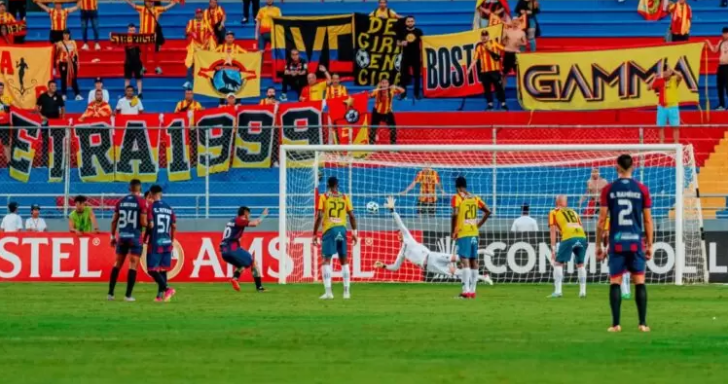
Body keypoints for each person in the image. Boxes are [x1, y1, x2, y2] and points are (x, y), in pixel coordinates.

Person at [374, 197, 494, 284]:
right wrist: (383, 266)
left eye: (400, 232)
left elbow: (401, 224)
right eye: (398, 234)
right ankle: (484, 277)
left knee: (459, 257)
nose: (400, 233)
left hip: (432, 256)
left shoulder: (408, 238)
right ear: (397, 237)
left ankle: (483, 251)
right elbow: (395, 267)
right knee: (456, 272)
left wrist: (392, 210)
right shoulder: (402, 252)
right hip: (430, 266)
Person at [596, 154, 654, 333]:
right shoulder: (642, 189)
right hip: (636, 242)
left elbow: (601, 220)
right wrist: (650, 244)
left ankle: (616, 324)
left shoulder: (608, 189)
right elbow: (648, 220)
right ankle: (642, 324)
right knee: (640, 281)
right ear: (633, 167)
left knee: (615, 281)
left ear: (617, 167)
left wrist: (598, 245)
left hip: (617, 242)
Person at [313, 176, 358, 300]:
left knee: (326, 260)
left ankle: (328, 293)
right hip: (342, 230)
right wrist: (354, 233)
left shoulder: (324, 197)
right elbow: (352, 216)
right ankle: (346, 292)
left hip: (329, 230)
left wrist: (314, 233)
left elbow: (319, 215)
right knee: (344, 260)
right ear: (337, 184)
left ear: (328, 185)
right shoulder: (345, 197)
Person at [451, 176, 491, 299]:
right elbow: (488, 211)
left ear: (457, 187)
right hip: (474, 234)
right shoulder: (475, 198)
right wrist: (477, 225)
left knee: (465, 260)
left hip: (464, 233)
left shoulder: (457, 198)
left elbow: (455, 214)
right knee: (474, 260)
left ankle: (466, 291)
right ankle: (473, 291)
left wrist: (453, 230)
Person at [108, 179, 148, 302]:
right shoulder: (142, 202)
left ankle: (110, 294)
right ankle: (128, 295)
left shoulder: (120, 201)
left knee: (117, 264)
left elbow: (114, 220)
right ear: (140, 189)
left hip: (122, 236)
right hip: (134, 237)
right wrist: (149, 224)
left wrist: (113, 236)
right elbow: (142, 222)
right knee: (133, 265)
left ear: (129, 189)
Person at [220, 206, 268, 292]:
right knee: (253, 262)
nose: (249, 216)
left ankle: (235, 278)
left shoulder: (231, 221)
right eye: (249, 214)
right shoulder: (240, 220)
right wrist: (263, 216)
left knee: (241, 265)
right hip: (233, 248)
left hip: (224, 251)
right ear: (245, 213)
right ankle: (259, 287)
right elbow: (254, 224)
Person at [548, 195, 588, 298]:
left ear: (556, 202)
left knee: (558, 263)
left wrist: (553, 249)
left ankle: (558, 291)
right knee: (580, 264)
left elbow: (553, 231)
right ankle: (583, 292)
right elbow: (581, 226)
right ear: (565, 203)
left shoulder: (553, 212)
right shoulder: (574, 212)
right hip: (581, 236)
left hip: (569, 237)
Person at [124, 0, 178, 75]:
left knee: (154, 52)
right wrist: (127, 1)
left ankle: (157, 67)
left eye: (151, 2)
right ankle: (143, 67)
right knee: (143, 53)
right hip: (142, 35)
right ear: (145, 2)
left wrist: (173, 3)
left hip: (152, 35)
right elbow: (133, 5)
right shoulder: (141, 9)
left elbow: (166, 8)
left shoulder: (157, 9)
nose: (149, 3)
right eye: (148, 1)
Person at [146, 184, 178, 302]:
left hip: (156, 241)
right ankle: (160, 296)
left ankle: (167, 289)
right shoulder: (169, 208)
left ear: (151, 194)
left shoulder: (151, 207)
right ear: (161, 194)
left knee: (151, 269)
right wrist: (172, 240)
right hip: (167, 241)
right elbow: (174, 225)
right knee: (162, 269)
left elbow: (151, 225)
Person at [468, 30, 507, 111]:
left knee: (499, 87)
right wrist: (469, 69)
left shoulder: (494, 43)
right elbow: (475, 59)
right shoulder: (479, 47)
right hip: (484, 72)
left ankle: (503, 104)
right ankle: (490, 104)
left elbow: (504, 49)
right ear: (481, 37)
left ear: (488, 36)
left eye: (485, 36)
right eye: (483, 36)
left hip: (494, 70)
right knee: (487, 89)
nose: (484, 37)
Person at [650, 62, 683, 143]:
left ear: (671, 72)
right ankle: (661, 143)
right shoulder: (660, 81)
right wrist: (654, 78)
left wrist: (672, 70)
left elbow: (680, 76)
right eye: (664, 72)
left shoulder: (674, 80)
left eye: (667, 72)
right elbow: (649, 87)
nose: (665, 74)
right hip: (662, 107)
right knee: (660, 127)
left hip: (673, 106)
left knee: (675, 126)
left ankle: (676, 143)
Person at [184, 9, 215, 89]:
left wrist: (207, 36)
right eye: (197, 13)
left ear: (202, 14)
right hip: (194, 47)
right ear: (195, 14)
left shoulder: (206, 22)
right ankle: (188, 81)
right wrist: (191, 33)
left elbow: (212, 32)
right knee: (190, 62)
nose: (199, 15)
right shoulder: (191, 22)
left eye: (200, 13)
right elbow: (186, 32)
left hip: (205, 46)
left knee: (207, 63)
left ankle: (208, 82)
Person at [369, 78, 404, 144]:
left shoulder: (392, 90)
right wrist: (367, 93)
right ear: (380, 84)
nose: (384, 84)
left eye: (386, 83)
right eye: (383, 83)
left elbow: (403, 91)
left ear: (388, 84)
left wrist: (395, 86)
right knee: (373, 129)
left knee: (393, 129)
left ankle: (393, 146)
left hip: (388, 113)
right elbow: (369, 96)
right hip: (377, 112)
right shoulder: (377, 91)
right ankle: (371, 145)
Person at [397, 16, 423, 100]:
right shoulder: (402, 31)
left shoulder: (419, 31)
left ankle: (416, 94)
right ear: (406, 23)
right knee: (403, 76)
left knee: (417, 76)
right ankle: (403, 94)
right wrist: (401, 43)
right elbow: (397, 43)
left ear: (414, 22)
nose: (410, 23)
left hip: (416, 56)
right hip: (405, 56)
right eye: (408, 21)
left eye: (412, 21)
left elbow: (424, 42)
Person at [705, 27, 728, 111]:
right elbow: (714, 50)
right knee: (720, 86)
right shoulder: (720, 42)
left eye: (725, 33)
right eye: (723, 33)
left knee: (727, 86)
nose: (724, 35)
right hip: (721, 66)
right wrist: (708, 43)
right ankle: (721, 105)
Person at [56, 29, 82, 101]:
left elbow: (76, 53)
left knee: (73, 78)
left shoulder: (73, 42)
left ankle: (77, 94)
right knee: (63, 79)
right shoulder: (59, 43)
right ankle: (64, 94)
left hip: (72, 63)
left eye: (67, 34)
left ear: (69, 35)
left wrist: (77, 62)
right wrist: (57, 61)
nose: (66, 35)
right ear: (62, 35)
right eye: (65, 34)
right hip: (63, 63)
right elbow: (57, 53)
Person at [123, 24, 144, 97]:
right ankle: (126, 93)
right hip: (128, 62)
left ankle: (139, 93)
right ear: (128, 30)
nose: (132, 31)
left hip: (137, 62)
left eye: (133, 30)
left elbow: (142, 50)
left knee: (139, 78)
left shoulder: (139, 39)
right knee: (127, 78)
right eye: (130, 30)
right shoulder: (124, 39)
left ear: (135, 30)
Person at [0, 82, 12, 161]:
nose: (0, 90)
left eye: (2, 88)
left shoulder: (7, 98)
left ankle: (9, 163)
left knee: (6, 144)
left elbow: (9, 110)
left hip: (5, 125)